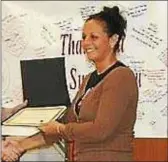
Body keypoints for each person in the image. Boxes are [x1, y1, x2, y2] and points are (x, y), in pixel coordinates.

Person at [2, 6, 139, 162]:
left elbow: (101, 130)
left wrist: (61, 129)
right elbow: (64, 125)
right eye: (84, 37)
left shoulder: (121, 77)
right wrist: (20, 145)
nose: (86, 43)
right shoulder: (88, 79)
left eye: (93, 37)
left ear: (113, 40)